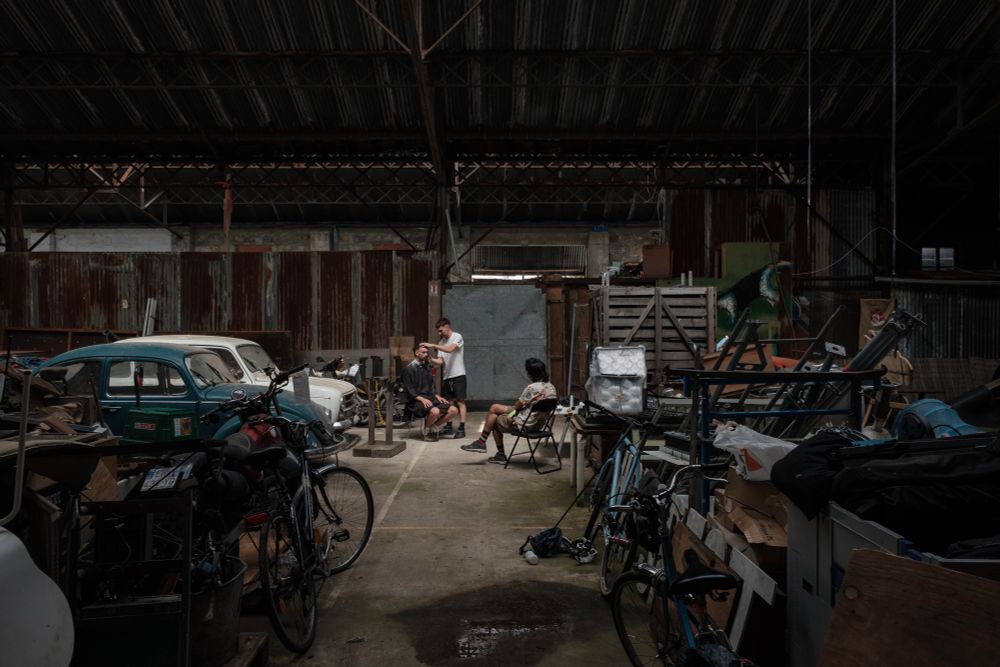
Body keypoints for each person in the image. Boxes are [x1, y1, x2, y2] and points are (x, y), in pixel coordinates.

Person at [460, 358, 556, 464]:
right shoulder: (551, 387)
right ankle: (481, 443)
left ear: (531, 374)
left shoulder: (532, 388)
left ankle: (494, 451)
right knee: (494, 408)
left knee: (494, 422)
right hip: (538, 423)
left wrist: (511, 415)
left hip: (525, 423)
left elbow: (517, 406)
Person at [421, 318, 467, 439]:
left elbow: (450, 349)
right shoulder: (441, 342)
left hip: (458, 374)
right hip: (447, 376)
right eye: (438, 331)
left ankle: (462, 427)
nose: (440, 333)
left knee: (460, 401)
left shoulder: (457, 336)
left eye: (441, 330)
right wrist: (430, 358)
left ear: (447, 326)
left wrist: (432, 345)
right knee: (449, 402)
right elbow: (441, 361)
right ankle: (449, 426)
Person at [401, 344, 457, 442]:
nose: (426, 354)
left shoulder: (426, 367)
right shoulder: (409, 369)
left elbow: (430, 385)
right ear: (416, 353)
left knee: (453, 410)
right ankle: (426, 432)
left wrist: (437, 396)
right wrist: (422, 399)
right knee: (435, 411)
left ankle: (433, 427)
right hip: (415, 400)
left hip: (429, 397)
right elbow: (409, 390)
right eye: (423, 352)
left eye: (427, 352)